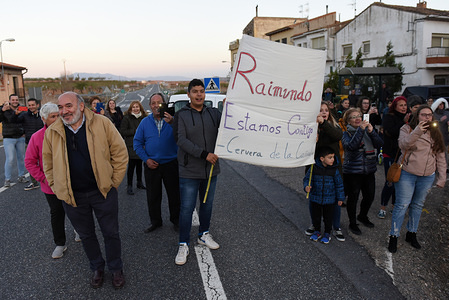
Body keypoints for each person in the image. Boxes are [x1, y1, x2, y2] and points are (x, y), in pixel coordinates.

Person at [42, 92, 128, 289]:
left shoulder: (102, 123)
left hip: (103, 192)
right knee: (86, 235)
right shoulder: (53, 131)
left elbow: (120, 153)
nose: (64, 111)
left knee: (111, 232)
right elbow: (48, 163)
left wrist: (113, 182)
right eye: (61, 107)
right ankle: (97, 267)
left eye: (68, 106)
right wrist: (58, 187)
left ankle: (116, 268)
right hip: (73, 196)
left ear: (81, 106)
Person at [173, 79, 221, 266]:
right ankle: (183, 243)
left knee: (207, 205)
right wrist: (204, 154)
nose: (199, 94)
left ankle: (203, 234)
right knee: (186, 209)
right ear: (189, 94)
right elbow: (180, 140)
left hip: (211, 170)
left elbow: (230, 126)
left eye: (202, 91)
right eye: (195, 91)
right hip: (189, 171)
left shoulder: (214, 113)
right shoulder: (182, 115)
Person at [25, 102, 80, 259]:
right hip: (50, 185)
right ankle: (60, 243)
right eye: (53, 117)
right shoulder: (37, 138)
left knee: (75, 208)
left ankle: (79, 229)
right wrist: (44, 178)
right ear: (44, 119)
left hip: (71, 181)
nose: (57, 119)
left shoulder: (70, 132)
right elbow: (29, 161)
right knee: (57, 213)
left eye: (58, 116)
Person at [388, 105, 446, 253]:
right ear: (417, 116)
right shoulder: (406, 129)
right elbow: (403, 144)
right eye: (423, 115)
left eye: (430, 115)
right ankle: (394, 236)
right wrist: (418, 130)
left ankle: (411, 233)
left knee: (418, 205)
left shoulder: (435, 132)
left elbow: (440, 156)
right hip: (408, 172)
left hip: (427, 176)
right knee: (402, 205)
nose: (427, 118)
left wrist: (442, 177)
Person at [134, 93, 180, 233]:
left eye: (159, 103)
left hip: (171, 163)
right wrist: (146, 159)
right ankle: (155, 221)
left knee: (174, 195)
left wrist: (173, 123)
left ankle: (176, 220)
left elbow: (182, 137)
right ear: (149, 106)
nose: (156, 106)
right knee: (153, 196)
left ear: (164, 104)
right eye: (153, 103)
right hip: (151, 165)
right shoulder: (144, 122)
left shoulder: (173, 121)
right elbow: (137, 143)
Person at [305, 102, 346, 242]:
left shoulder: (332, 125)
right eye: (320, 110)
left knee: (333, 199)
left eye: (326, 110)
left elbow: (337, 135)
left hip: (332, 169)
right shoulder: (310, 127)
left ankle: (335, 227)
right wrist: (312, 141)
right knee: (314, 198)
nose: (324, 112)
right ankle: (315, 224)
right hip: (315, 169)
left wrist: (323, 124)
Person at [342, 108, 383, 235]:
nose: (358, 118)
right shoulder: (346, 133)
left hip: (369, 170)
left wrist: (372, 132)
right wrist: (361, 130)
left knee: (369, 196)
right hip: (353, 171)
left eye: (359, 116)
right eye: (353, 117)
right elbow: (351, 146)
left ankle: (363, 216)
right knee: (353, 198)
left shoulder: (368, 131)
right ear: (348, 121)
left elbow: (379, 144)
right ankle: (352, 223)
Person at [304, 147, 345, 244]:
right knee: (316, 216)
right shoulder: (314, 168)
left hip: (330, 200)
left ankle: (327, 233)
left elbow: (339, 185)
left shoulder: (334, 170)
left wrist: (340, 198)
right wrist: (306, 187)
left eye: (333, 157)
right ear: (322, 159)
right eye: (330, 157)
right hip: (315, 198)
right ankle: (317, 231)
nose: (332, 160)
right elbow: (307, 179)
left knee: (328, 217)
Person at [377, 96, 410, 219]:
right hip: (390, 153)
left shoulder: (409, 117)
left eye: (405, 105)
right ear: (395, 106)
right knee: (390, 180)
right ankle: (383, 207)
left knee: (400, 181)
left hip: (403, 154)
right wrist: (404, 122)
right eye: (401, 105)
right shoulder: (389, 117)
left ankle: (394, 206)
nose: (403, 108)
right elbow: (392, 132)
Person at [0, 94, 29, 187]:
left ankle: (21, 176)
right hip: (9, 138)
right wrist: (2, 110)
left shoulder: (22, 108)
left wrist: (24, 131)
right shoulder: (4, 108)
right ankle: (7, 179)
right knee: (10, 159)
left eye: (16, 99)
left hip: (20, 137)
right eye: (13, 100)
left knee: (21, 158)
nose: (15, 101)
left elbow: (28, 116)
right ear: (9, 100)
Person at [120, 100, 147, 195]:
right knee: (131, 166)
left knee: (140, 165)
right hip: (131, 145)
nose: (136, 109)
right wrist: (135, 131)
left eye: (137, 107)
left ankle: (139, 182)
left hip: (142, 145)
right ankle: (129, 185)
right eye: (134, 107)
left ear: (140, 108)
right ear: (131, 109)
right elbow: (122, 131)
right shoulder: (127, 118)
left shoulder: (144, 118)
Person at [18, 98, 44, 190]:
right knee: (31, 163)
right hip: (29, 142)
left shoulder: (42, 114)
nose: (31, 107)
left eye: (33, 105)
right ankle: (34, 182)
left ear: (37, 105)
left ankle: (51, 181)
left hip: (44, 142)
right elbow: (14, 122)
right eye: (29, 105)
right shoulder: (24, 115)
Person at [431, 98, 449, 172]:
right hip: (436, 136)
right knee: (435, 152)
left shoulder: (447, 113)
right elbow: (432, 123)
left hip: (445, 136)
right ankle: (434, 167)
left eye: (443, 104)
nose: (441, 106)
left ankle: (446, 167)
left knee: (445, 153)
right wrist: (439, 121)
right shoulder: (433, 114)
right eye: (440, 104)